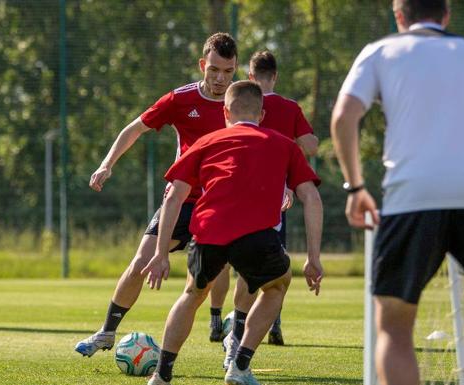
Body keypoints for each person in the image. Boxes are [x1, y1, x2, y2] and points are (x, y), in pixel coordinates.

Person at [331, 1, 464, 384]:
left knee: (395, 327)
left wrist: (356, 187)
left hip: (412, 195)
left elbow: (343, 117)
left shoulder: (381, 52)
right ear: (446, 14)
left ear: (399, 16)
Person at [143, 80, 323, 385]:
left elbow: (173, 197)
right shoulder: (284, 144)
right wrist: (313, 258)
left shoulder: (207, 141)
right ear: (262, 115)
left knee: (191, 295)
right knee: (277, 286)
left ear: (225, 112)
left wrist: (161, 254)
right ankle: (239, 365)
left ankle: (162, 374)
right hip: (256, 237)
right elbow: (311, 198)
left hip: (208, 233)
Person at [74, 32, 239, 357]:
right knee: (140, 262)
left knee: (206, 281)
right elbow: (135, 128)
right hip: (180, 201)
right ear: (203, 65)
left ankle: (228, 341)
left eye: (229, 72)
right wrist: (107, 164)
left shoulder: (241, 102)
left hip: (220, 206)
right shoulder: (181, 100)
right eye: (215, 70)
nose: (221, 79)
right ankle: (107, 332)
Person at [224, 50, 319, 353]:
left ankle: (233, 326)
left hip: (236, 196)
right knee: (274, 259)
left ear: (249, 76)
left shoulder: (240, 106)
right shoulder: (289, 107)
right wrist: (292, 159)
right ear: (275, 75)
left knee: (243, 264)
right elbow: (311, 145)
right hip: (278, 196)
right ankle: (270, 320)